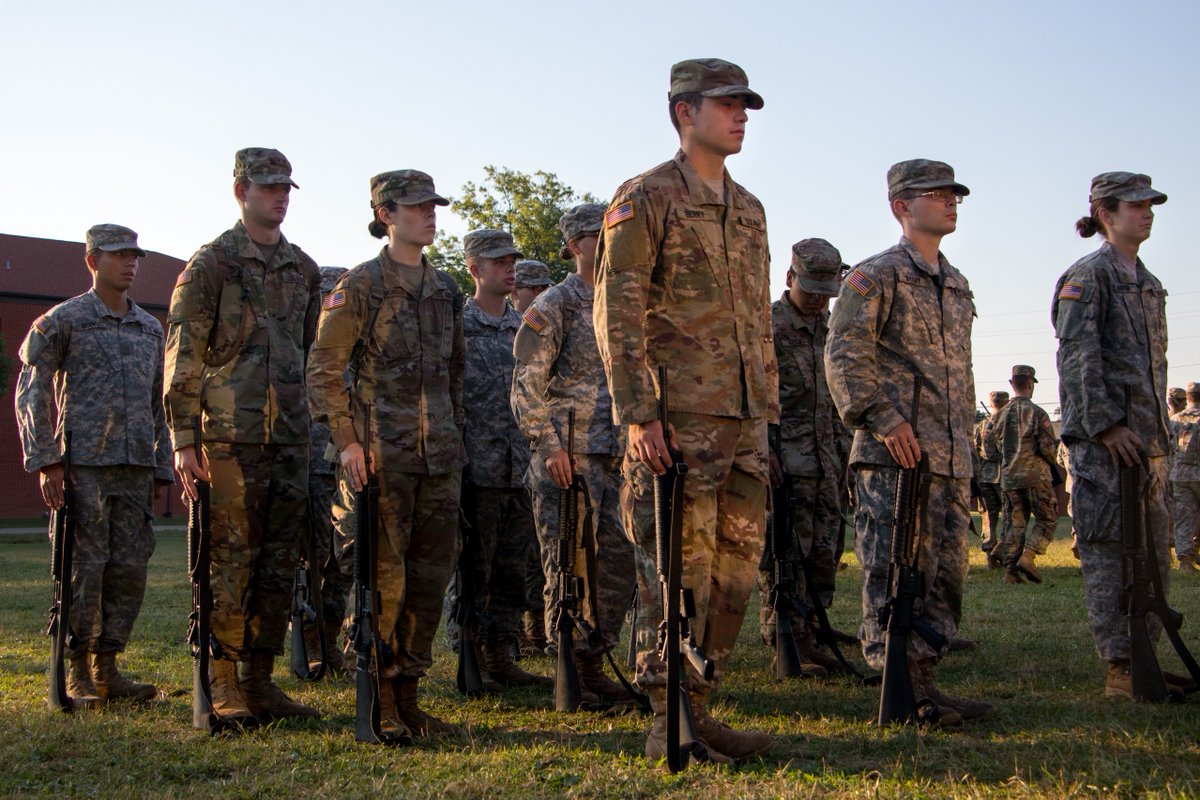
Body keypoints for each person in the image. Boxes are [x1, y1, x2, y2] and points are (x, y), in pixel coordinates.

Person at [594, 57, 776, 762]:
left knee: (733, 575)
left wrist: (765, 410)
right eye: (727, 104)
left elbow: (756, 319)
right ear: (684, 112)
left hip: (743, 422)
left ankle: (698, 706)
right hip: (677, 423)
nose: (740, 116)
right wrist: (639, 414)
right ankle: (665, 718)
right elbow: (618, 311)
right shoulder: (646, 197)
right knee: (675, 572)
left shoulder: (750, 208)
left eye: (744, 106)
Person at [825, 159, 992, 724]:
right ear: (901, 206)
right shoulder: (875, 276)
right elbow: (844, 353)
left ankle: (924, 678)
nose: (950, 202)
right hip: (896, 454)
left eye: (953, 195)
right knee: (895, 571)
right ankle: (898, 683)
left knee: (944, 574)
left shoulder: (956, 282)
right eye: (936, 194)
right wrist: (883, 418)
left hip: (949, 456)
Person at [307, 169, 466, 737]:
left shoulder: (445, 288)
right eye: (417, 206)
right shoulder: (361, 286)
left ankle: (409, 693)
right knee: (384, 582)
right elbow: (324, 370)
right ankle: (379, 697)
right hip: (381, 460)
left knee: (429, 581)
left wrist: (455, 435)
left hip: (440, 459)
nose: (430, 215)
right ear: (385, 214)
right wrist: (347, 440)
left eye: (433, 205)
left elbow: (455, 372)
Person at [165, 148, 321, 724]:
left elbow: (311, 354)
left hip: (289, 438)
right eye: (268, 187)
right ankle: (222, 678)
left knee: (279, 562)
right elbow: (183, 352)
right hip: (229, 439)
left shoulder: (303, 269)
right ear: (241, 191)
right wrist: (184, 439)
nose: (279, 197)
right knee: (229, 561)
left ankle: (259, 679)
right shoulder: (213, 264)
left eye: (285, 188)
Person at [16, 224, 173, 709]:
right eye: (119, 255)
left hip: (135, 470)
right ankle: (78, 670)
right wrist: (46, 460)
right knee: (83, 571)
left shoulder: (150, 328)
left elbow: (159, 403)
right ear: (92, 261)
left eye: (134, 256)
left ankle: (108, 667)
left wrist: (161, 464)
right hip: (83, 469)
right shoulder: (65, 320)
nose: (130, 264)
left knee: (129, 571)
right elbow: (32, 390)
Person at [1052, 170, 1180, 699]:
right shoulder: (1090, 276)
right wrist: (1105, 425)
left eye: (1150, 206)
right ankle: (1121, 666)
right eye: (1135, 206)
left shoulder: (1147, 282)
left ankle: (1145, 655)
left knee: (1152, 555)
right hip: (1108, 447)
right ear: (1106, 214)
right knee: (1111, 553)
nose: (1146, 214)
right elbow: (1077, 357)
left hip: (1148, 444)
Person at [512, 203, 635, 704]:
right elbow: (525, 382)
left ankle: (594, 661)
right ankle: (571, 667)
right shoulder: (555, 303)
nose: (603, 243)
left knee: (617, 564)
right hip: (570, 459)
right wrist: (548, 445)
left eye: (607, 233)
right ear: (573, 246)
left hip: (619, 456)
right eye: (593, 235)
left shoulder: (623, 300)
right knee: (570, 566)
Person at [458, 229, 551, 690]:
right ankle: (472, 655)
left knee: (512, 570)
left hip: (520, 468)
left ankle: (501, 655)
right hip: (477, 469)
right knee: (475, 570)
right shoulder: (458, 325)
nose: (509, 269)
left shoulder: (525, 328)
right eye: (499, 262)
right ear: (474, 269)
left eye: (512, 260)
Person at [758, 238, 849, 676]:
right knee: (786, 555)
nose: (817, 300)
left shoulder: (834, 329)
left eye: (826, 292)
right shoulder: (766, 327)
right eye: (810, 290)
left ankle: (812, 632)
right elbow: (750, 392)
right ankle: (785, 640)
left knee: (825, 553)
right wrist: (761, 447)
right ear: (790, 277)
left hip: (828, 461)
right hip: (785, 464)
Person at [301, 266, 354, 672]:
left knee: (343, 559)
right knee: (314, 558)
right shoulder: (302, 350)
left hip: (346, 466)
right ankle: (309, 639)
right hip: (313, 467)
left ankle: (331, 637)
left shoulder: (354, 348)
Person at [510, 257, 554, 654]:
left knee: (542, 552)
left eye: (544, 287)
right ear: (515, 291)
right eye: (531, 288)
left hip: (539, 453)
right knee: (517, 554)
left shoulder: (549, 326)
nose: (538, 294)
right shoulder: (513, 328)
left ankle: (540, 630)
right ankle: (519, 634)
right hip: (502, 454)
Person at [991, 365, 1058, 584]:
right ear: (1030, 384)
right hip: (1035, 475)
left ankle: (1010, 572)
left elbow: (994, 447)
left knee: (1014, 524)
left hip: (1009, 477)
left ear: (1012, 384)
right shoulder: (1037, 413)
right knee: (1047, 518)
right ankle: (1028, 556)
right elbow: (1048, 448)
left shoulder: (999, 416)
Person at [974, 391, 1009, 567]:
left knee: (988, 516)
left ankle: (990, 555)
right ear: (1007, 403)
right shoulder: (1008, 424)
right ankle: (1002, 550)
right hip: (1004, 476)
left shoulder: (981, 426)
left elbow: (975, 450)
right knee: (1009, 515)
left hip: (984, 476)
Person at [1169, 383, 1200, 571]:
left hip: (1180, 475)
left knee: (1184, 518)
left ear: (1187, 398)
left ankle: (1185, 561)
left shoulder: (1175, 420)